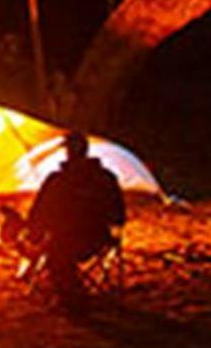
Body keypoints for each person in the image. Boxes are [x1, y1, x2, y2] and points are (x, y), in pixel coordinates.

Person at [7, 130, 124, 304]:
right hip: (98, 240)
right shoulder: (106, 178)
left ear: (67, 152)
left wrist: (33, 233)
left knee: (55, 250)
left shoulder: (57, 181)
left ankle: (70, 292)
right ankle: (70, 288)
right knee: (55, 244)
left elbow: (40, 213)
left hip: (63, 242)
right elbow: (118, 216)